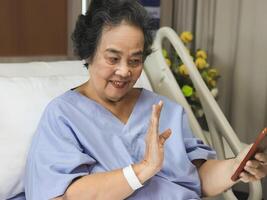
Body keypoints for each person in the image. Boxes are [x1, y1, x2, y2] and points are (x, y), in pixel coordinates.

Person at [24, 0, 267, 199]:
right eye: (113, 58)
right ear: (89, 52)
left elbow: (198, 176)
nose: (124, 71)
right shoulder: (63, 116)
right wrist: (142, 169)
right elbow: (64, 195)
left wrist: (235, 166)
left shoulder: (164, 109)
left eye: (135, 60)